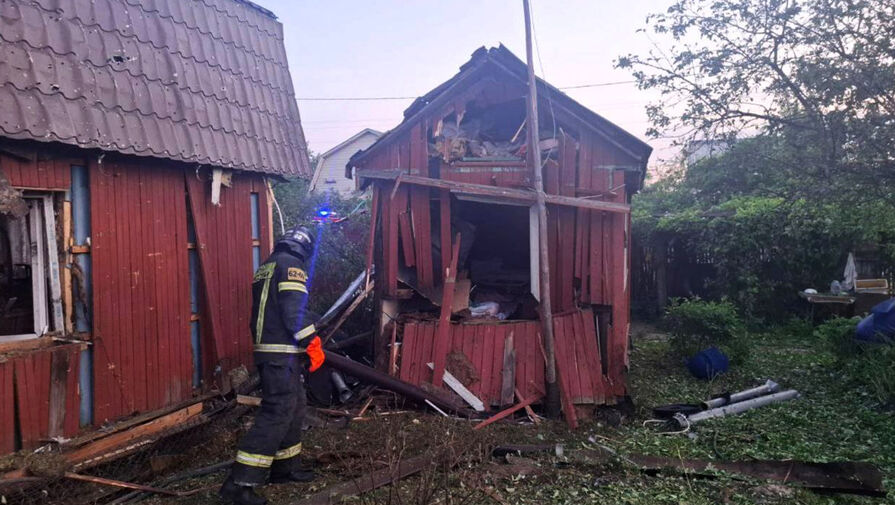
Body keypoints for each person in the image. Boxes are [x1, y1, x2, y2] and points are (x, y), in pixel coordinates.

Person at [220, 225, 326, 505]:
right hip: (281, 353)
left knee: (295, 406)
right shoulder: (292, 267)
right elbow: (294, 313)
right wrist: (312, 341)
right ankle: (238, 485)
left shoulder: (268, 266)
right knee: (276, 412)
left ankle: (285, 468)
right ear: (304, 247)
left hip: (274, 352)